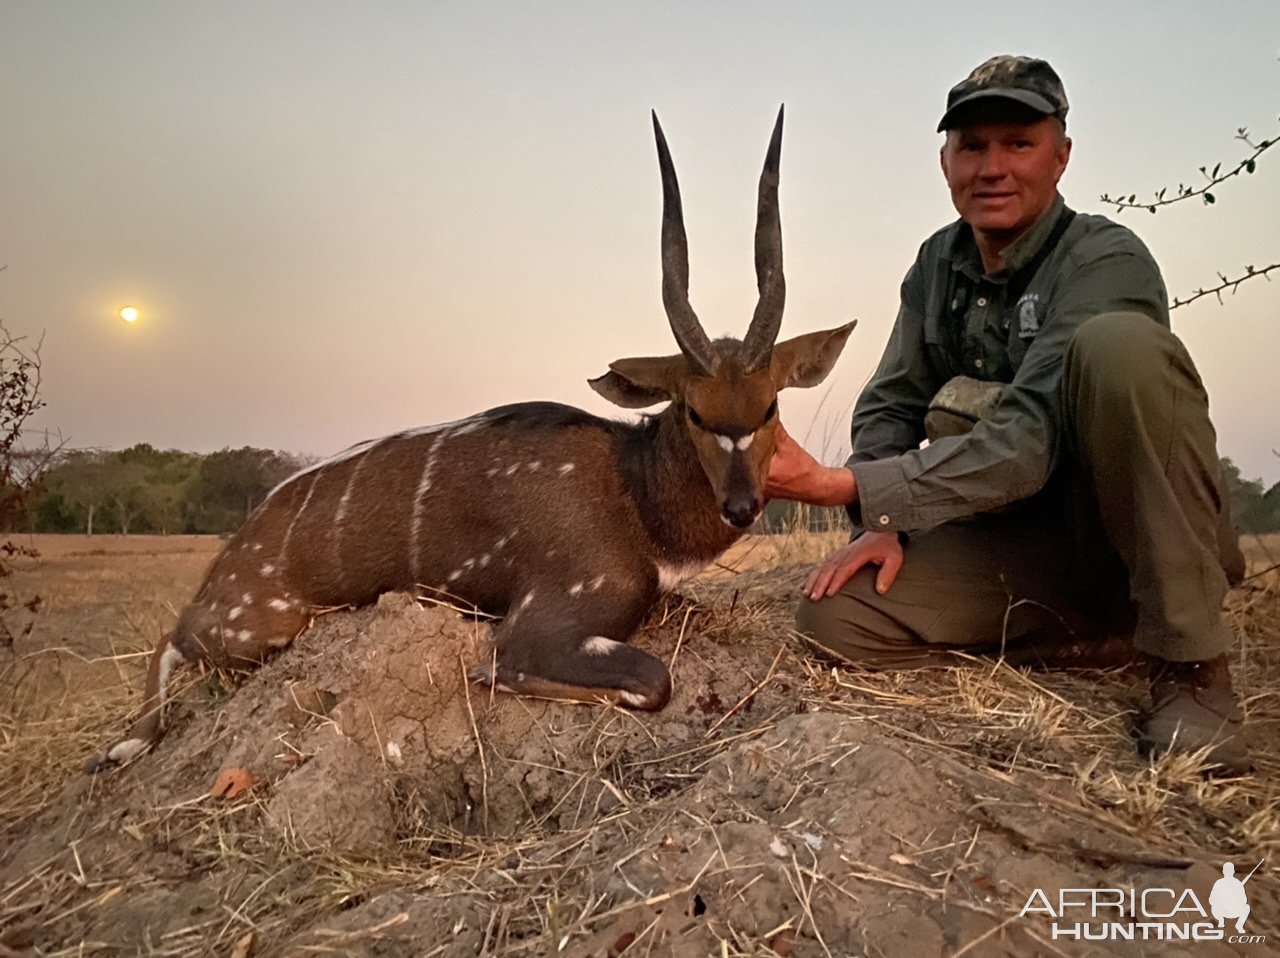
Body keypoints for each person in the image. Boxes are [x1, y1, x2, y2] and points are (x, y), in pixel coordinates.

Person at [766, 55, 1250, 775]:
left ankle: (1191, 663)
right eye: (972, 146)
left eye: (1018, 143)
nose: (991, 167)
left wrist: (843, 487)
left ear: (1062, 156)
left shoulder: (1105, 259)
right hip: (1024, 548)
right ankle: (1098, 636)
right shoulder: (937, 263)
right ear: (945, 162)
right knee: (837, 620)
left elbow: (1025, 443)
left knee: (1120, 349)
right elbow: (889, 404)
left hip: (1121, 535)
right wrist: (880, 524)